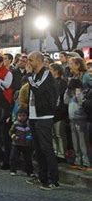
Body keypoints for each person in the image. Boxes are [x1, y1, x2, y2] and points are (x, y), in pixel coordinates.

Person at [25, 51, 59, 190]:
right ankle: (42, 177)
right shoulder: (34, 75)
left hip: (44, 116)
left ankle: (53, 180)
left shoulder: (45, 74)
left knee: (46, 148)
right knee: (38, 149)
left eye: (31, 60)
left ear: (39, 61)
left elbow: (37, 88)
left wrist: (28, 76)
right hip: (34, 115)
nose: (28, 63)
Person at [65, 78, 90, 169]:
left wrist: (78, 93)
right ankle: (78, 159)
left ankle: (86, 161)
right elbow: (65, 101)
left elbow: (81, 102)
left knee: (83, 141)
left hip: (81, 119)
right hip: (72, 119)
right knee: (75, 141)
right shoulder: (70, 94)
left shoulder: (83, 93)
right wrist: (67, 91)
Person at [49, 63, 68, 160]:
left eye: (51, 70)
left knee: (59, 133)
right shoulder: (51, 82)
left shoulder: (62, 82)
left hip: (59, 112)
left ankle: (62, 154)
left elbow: (60, 96)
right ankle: (55, 152)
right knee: (53, 134)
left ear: (56, 71)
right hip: (51, 111)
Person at [9, 108, 34, 177]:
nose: (21, 118)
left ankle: (30, 171)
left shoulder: (29, 124)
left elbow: (31, 133)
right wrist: (13, 136)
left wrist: (30, 137)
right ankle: (13, 170)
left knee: (28, 159)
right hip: (16, 143)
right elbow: (11, 131)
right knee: (14, 157)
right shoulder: (16, 124)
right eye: (20, 116)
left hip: (26, 144)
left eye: (23, 116)